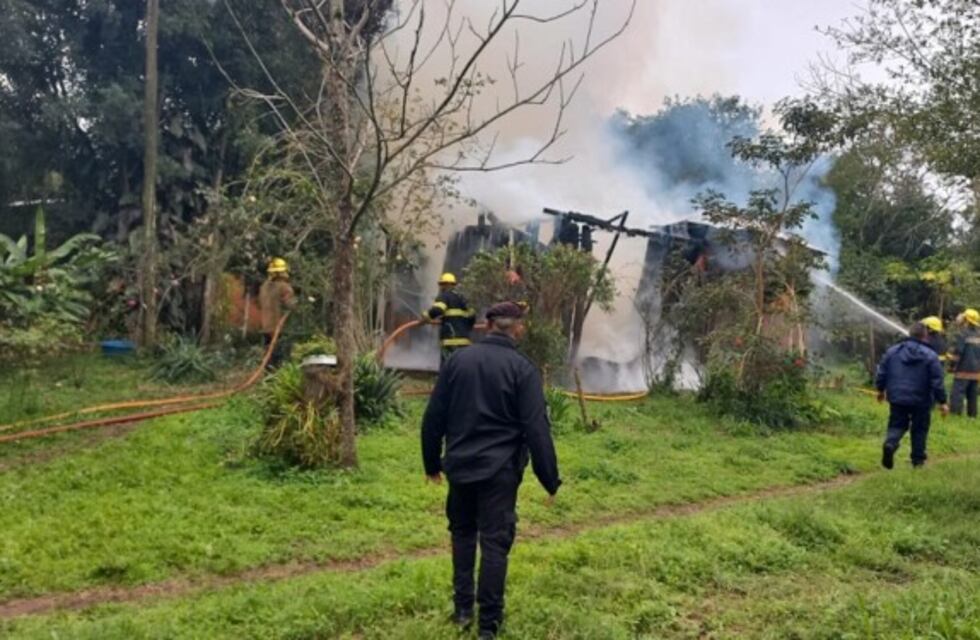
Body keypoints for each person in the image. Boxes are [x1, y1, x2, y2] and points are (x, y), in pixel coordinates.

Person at [421, 301, 562, 639]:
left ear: (487, 326)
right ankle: (488, 626)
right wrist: (550, 480)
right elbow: (536, 428)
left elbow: (433, 417)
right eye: (522, 325)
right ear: (517, 328)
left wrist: (431, 463)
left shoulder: (457, 362)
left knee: (463, 534)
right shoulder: (522, 369)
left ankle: (462, 611)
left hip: (460, 466)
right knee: (495, 544)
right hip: (499, 472)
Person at [876, 322, 949, 469]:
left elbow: (881, 372)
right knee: (920, 429)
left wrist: (880, 390)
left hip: (897, 397)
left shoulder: (893, 351)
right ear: (925, 336)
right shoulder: (931, 355)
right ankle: (918, 461)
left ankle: (890, 443)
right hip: (921, 399)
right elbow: (937, 380)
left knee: (897, 424)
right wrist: (943, 402)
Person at [422, 272, 476, 366]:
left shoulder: (444, 296)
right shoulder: (462, 298)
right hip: (465, 342)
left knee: (448, 368)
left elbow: (437, 310)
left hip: (450, 342)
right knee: (462, 368)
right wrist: (467, 329)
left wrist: (426, 315)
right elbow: (472, 316)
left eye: (442, 284)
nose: (441, 287)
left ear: (445, 285)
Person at [258, 257, 296, 368]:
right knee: (281, 358)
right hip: (280, 329)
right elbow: (291, 305)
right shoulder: (284, 287)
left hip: (266, 327)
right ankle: (278, 379)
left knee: (268, 357)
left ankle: (268, 380)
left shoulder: (263, 287)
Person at [950, 308, 980, 418]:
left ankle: (955, 414)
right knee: (972, 394)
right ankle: (972, 416)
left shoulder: (962, 334)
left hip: (963, 369)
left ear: (967, 320)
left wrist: (952, 365)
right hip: (976, 371)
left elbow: (958, 352)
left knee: (957, 393)